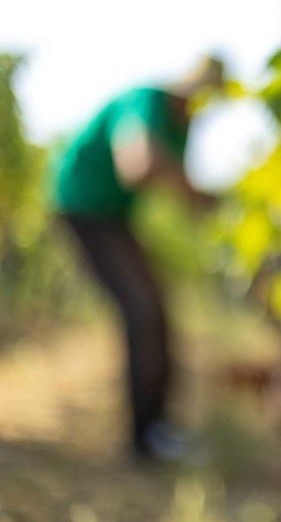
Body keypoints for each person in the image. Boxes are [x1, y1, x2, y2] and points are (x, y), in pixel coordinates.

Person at [50, 56, 224, 462]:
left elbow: (181, 190)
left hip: (114, 216)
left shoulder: (183, 126)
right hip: (83, 207)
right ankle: (143, 440)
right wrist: (193, 191)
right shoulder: (148, 101)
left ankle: (158, 427)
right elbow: (138, 165)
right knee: (142, 310)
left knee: (155, 310)